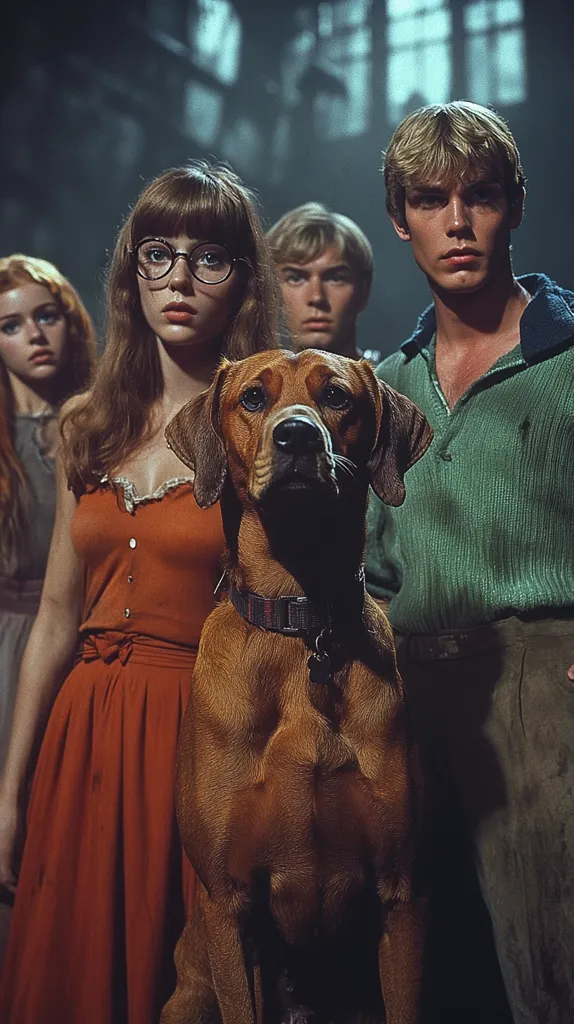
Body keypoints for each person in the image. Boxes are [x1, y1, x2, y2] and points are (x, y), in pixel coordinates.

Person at [0, 162, 279, 1024]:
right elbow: (54, 619)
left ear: (242, 282)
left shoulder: (258, 427)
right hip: (81, 732)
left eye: (209, 258)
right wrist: (8, 795)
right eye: (159, 254)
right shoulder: (89, 422)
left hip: (198, 734)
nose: (181, 280)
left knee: (180, 978)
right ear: (131, 274)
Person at [365, 100, 574, 1024]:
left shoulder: (567, 354)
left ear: (515, 207)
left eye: (481, 197)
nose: (458, 223)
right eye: (431, 199)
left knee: (548, 965)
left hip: (539, 675)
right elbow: (369, 564)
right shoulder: (387, 384)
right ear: (399, 218)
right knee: (425, 975)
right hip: (407, 687)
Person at [0, 255, 96, 771]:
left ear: (71, 321)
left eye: (47, 317)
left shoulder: (99, 427)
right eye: (11, 325)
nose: (34, 335)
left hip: (79, 640)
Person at [267, 202, 381, 364]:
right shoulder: (252, 385)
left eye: (335, 278)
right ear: (271, 291)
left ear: (364, 290)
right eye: (296, 278)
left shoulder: (393, 383)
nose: (317, 297)